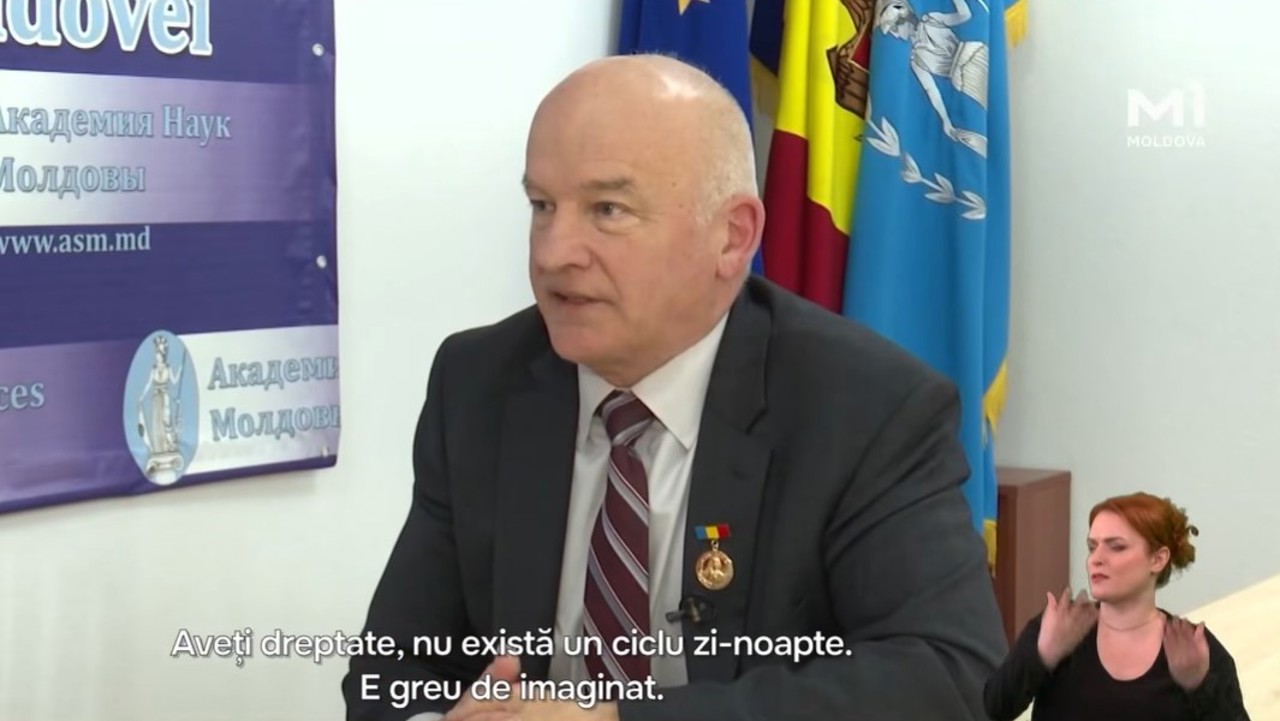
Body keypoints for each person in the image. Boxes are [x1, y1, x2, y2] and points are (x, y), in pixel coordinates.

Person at [341, 53, 1008, 721]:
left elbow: (947, 676)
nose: (551, 252)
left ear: (732, 236)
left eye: (607, 209)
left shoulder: (866, 407)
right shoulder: (479, 382)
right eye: (542, 205)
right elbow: (390, 668)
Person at [983, 492, 1251, 720]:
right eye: (1092, 547)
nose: (1096, 559)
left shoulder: (1195, 649)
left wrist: (1200, 685)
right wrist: (1041, 656)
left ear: (1158, 559)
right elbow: (991, 710)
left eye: (1116, 547)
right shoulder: (1055, 627)